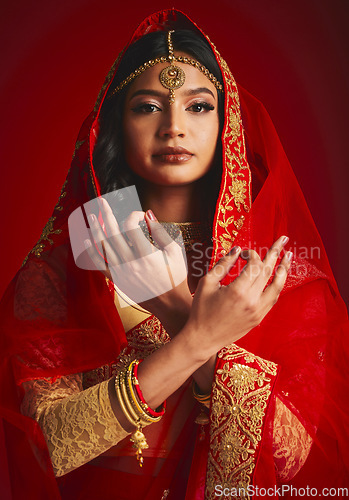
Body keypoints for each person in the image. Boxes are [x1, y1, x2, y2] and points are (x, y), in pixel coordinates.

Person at [0, 8, 348, 500]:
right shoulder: (68, 268)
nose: (174, 127)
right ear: (116, 124)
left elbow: (295, 459)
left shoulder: (275, 273)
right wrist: (197, 338)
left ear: (227, 123)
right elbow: (49, 445)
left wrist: (175, 306)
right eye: (147, 106)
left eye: (199, 106)